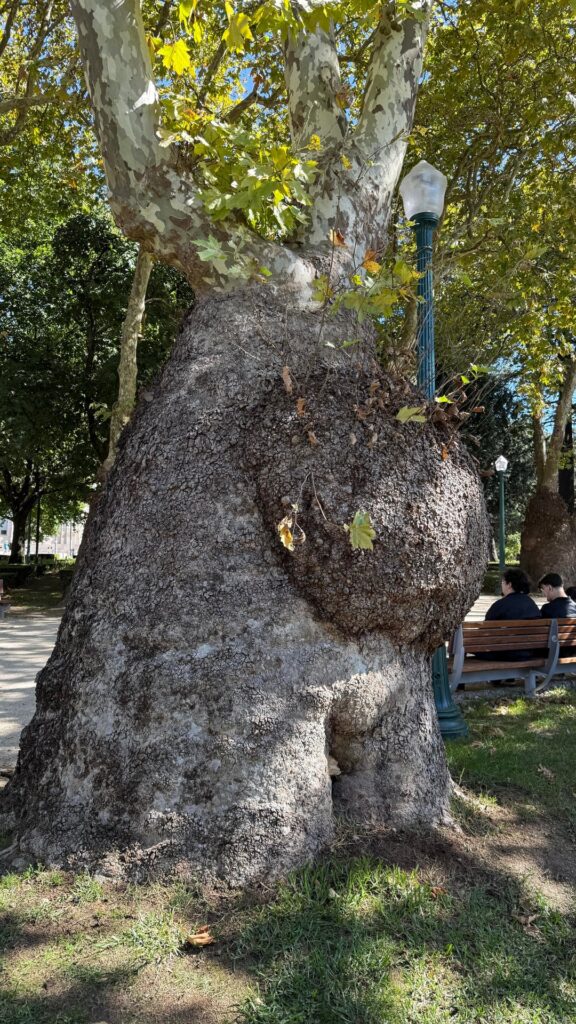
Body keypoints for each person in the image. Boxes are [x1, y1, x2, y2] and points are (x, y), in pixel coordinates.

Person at [474, 568, 539, 663]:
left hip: (504, 653)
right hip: (528, 652)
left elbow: (484, 631)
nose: (501, 585)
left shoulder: (500, 605)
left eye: (503, 582)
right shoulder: (532, 604)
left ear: (509, 584)